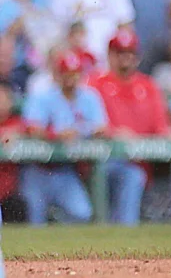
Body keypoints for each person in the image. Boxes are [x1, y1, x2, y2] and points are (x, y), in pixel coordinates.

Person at [87, 28, 171, 225]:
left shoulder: (148, 85)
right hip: (101, 161)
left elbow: (161, 128)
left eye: (130, 53)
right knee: (130, 176)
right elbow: (89, 124)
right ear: (110, 55)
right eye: (119, 52)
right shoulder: (95, 83)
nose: (125, 58)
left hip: (139, 162)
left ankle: (124, 239)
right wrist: (114, 133)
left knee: (134, 175)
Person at [19, 51, 107, 225]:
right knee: (34, 223)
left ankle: (61, 245)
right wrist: (56, 135)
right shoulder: (42, 96)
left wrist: (81, 130)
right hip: (38, 169)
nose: (70, 79)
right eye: (66, 74)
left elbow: (102, 128)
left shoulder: (89, 96)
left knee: (81, 214)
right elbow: (32, 128)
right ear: (57, 74)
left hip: (66, 170)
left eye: (74, 74)